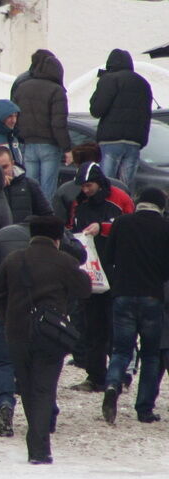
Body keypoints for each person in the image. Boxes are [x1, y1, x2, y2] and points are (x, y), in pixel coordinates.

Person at [0, 215, 93, 464]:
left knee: (26, 387)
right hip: (51, 334)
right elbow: (85, 289)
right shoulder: (65, 262)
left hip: (17, 332)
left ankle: (37, 442)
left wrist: (9, 316)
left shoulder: (15, 259)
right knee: (44, 388)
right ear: (58, 238)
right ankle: (39, 448)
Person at [101, 187, 169, 425]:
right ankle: (144, 409)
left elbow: (108, 257)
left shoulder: (121, 223)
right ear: (161, 206)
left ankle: (112, 384)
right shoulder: (165, 227)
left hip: (123, 295)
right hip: (152, 297)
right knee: (151, 355)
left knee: (121, 350)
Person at [67, 162, 133, 392]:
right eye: (83, 186)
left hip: (116, 272)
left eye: (89, 185)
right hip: (90, 272)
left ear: (99, 182)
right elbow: (72, 228)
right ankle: (95, 376)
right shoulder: (79, 202)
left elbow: (130, 227)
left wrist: (103, 227)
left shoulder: (120, 199)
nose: (85, 190)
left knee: (117, 328)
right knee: (92, 327)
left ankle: (120, 376)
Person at [90, 48, 153, 187]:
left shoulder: (109, 79)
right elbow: (147, 114)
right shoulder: (143, 83)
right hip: (135, 141)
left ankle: (108, 208)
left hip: (111, 139)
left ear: (110, 64)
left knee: (106, 184)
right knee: (125, 186)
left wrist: (99, 85)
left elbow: (96, 110)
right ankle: (123, 208)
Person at [12, 51, 70, 199]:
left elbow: (14, 116)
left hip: (28, 145)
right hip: (49, 146)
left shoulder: (22, 87)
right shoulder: (57, 91)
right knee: (47, 191)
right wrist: (67, 148)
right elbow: (59, 124)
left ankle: (30, 219)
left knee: (30, 189)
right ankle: (46, 219)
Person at [0, 145, 52, 222]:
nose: (1, 171)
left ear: (12, 164)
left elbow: (48, 215)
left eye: (4, 167)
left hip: (24, 232)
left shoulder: (30, 185)